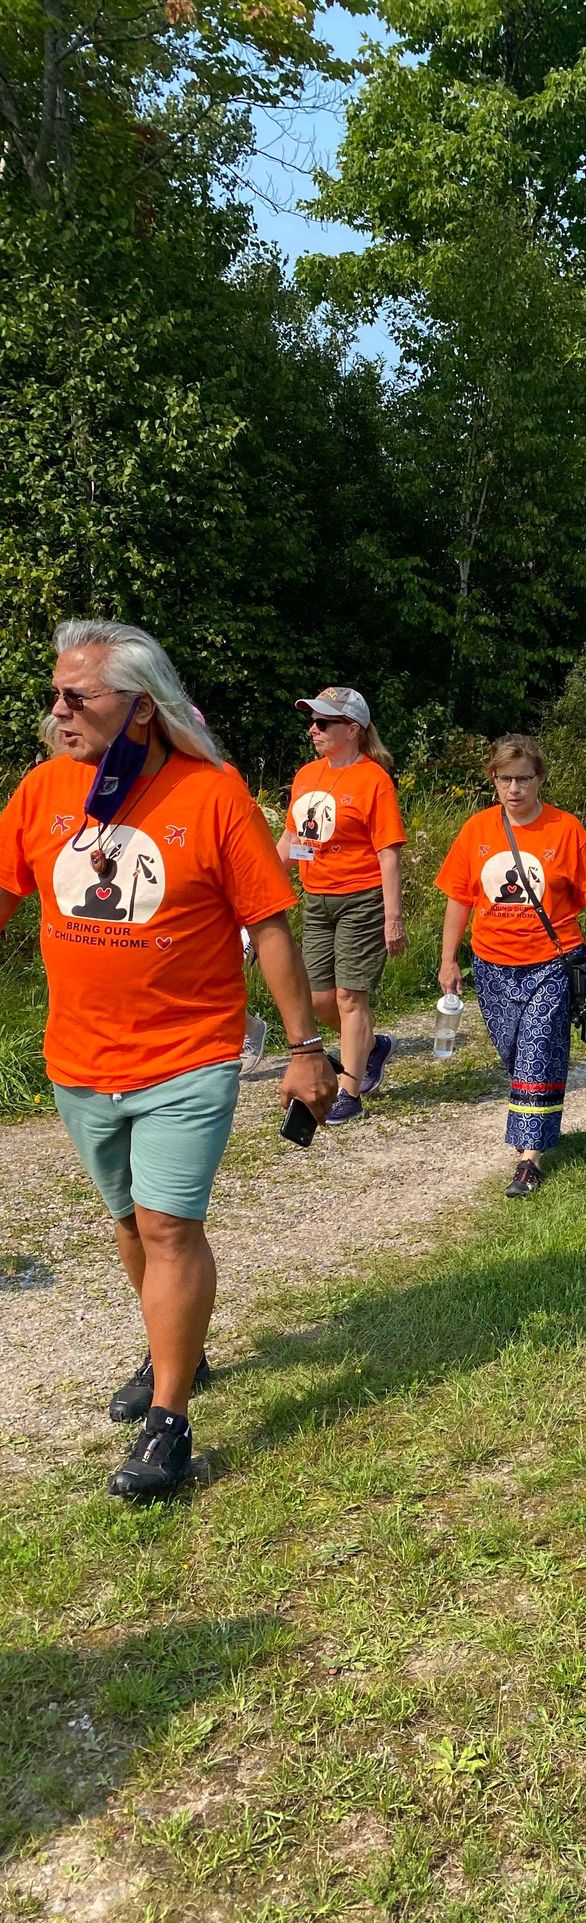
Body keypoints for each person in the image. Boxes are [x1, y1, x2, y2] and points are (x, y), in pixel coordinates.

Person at [0, 621, 335, 1502]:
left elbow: (268, 924)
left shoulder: (211, 796)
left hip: (189, 1054)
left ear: (141, 709)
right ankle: (172, 1345)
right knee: (126, 1220)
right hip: (78, 1060)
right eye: (57, 694)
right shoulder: (42, 792)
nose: (59, 710)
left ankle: (170, 1421)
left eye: (81, 696)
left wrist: (305, 1048)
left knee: (168, 1226)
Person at [436, 735, 586, 1198]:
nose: (514, 789)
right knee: (514, 1054)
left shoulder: (565, 830)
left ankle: (529, 1160)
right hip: (491, 965)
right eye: (505, 779)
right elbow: (459, 898)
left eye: (523, 779)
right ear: (494, 781)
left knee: (538, 1051)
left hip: (552, 962)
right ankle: (540, 1111)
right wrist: (449, 960)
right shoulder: (476, 830)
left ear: (540, 779)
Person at [280, 688, 407, 1125]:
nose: (314, 729)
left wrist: (393, 918)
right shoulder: (306, 776)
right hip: (316, 900)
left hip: (363, 900)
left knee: (351, 996)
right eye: (312, 721)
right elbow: (293, 840)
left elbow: (389, 852)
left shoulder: (374, 780)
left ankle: (350, 1089)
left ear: (352, 730)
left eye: (324, 723)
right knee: (317, 998)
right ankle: (371, 1047)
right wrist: (260, 883)